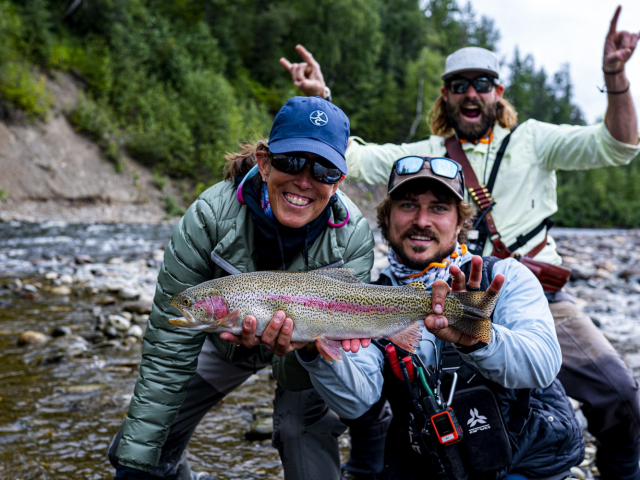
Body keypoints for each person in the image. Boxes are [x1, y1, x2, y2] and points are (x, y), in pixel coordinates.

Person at [280, 6, 640, 478]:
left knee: (620, 396)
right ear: (445, 96)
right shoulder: (421, 154)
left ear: (498, 93)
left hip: (528, 291)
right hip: (419, 294)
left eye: (482, 83)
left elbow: (618, 145)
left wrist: (615, 77)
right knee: (382, 406)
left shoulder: (534, 140)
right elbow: (349, 156)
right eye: (459, 85)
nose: (471, 93)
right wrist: (320, 101)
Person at [108, 96, 375, 480]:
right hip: (224, 341)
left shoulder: (352, 236)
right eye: (292, 161)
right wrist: (136, 465)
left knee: (299, 429)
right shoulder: (209, 216)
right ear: (265, 163)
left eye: (324, 171)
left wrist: (302, 351)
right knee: (138, 449)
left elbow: (334, 365)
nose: (304, 180)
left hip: (304, 351)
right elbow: (167, 353)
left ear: (339, 183)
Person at [273, 155, 585, 478]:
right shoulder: (370, 300)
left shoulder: (503, 277)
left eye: (438, 208)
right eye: (408, 205)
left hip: (527, 460)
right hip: (437, 463)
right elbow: (356, 401)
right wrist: (313, 349)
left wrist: (479, 339)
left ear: (461, 222)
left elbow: (545, 364)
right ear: (387, 217)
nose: (421, 220)